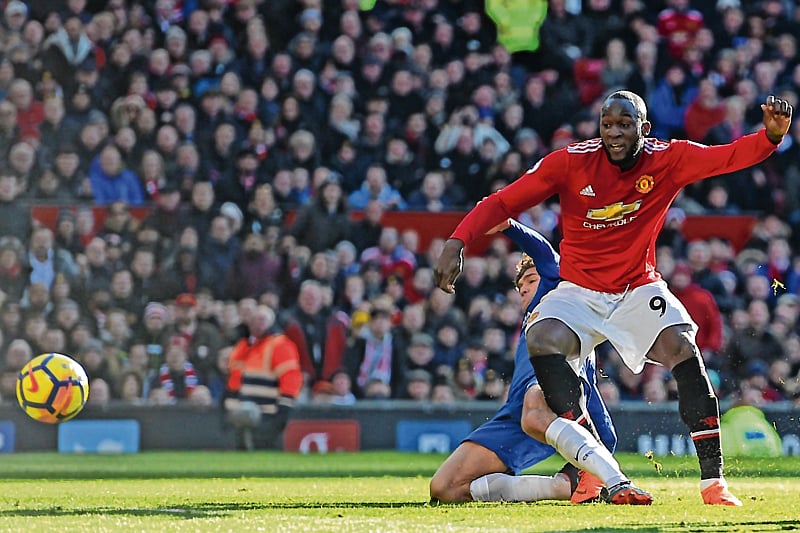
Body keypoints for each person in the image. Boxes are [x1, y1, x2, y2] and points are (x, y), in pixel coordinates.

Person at [434, 91, 793, 506]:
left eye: (625, 125)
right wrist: (457, 241)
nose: (615, 134)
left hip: (636, 287)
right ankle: (591, 467)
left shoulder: (668, 159)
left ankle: (713, 483)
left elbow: (726, 157)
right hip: (578, 291)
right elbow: (502, 201)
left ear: (645, 129)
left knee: (683, 349)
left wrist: (770, 137)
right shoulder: (571, 162)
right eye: (608, 125)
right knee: (542, 337)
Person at [430, 219, 645, 505]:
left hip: (547, 393)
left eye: (531, 280)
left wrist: (507, 224)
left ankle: (618, 483)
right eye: (519, 286)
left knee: (534, 410)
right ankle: (560, 488)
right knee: (445, 488)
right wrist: (602, 441)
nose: (523, 289)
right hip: (515, 413)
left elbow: (543, 251)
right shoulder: (530, 321)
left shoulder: (558, 296)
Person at [225, 304, 303, 450]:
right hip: (242, 414)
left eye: (262, 320)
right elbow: (234, 380)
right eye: (254, 320)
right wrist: (229, 407)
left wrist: (284, 407)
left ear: (271, 322)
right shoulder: (243, 346)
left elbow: (290, 376)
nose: (257, 324)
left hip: (268, 413)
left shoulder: (280, 344)